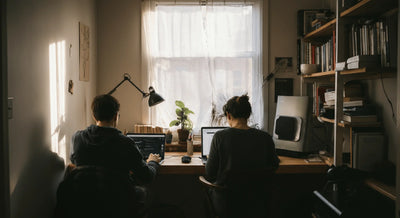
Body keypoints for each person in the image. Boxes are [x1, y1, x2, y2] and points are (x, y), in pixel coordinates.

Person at [66, 94, 161, 217]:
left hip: (85, 203)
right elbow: (146, 176)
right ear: (116, 116)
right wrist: (152, 162)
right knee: (144, 193)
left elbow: (76, 162)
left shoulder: (77, 138)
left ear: (94, 116)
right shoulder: (125, 143)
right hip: (119, 205)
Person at [205, 94, 280, 217]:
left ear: (228, 115)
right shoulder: (265, 137)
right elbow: (274, 165)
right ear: (248, 115)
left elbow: (210, 174)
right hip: (257, 204)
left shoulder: (220, 137)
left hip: (227, 205)